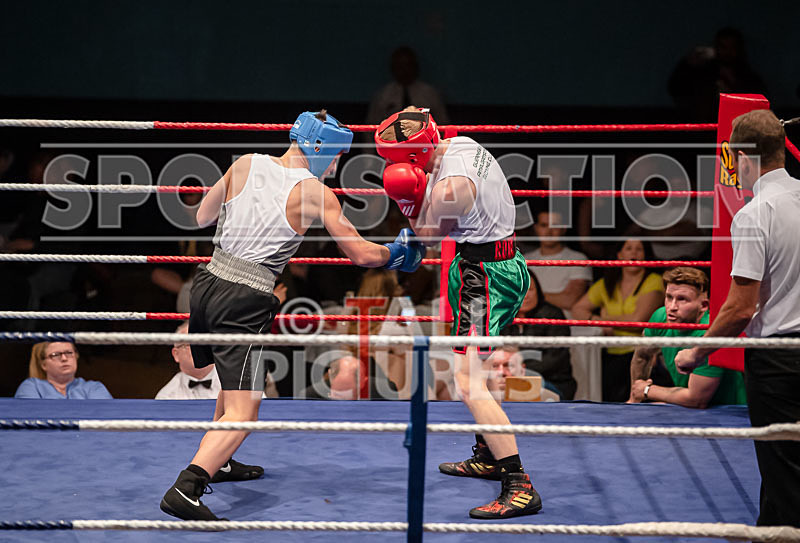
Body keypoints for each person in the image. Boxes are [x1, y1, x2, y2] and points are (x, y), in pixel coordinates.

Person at [160, 110, 425, 522]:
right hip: (243, 298)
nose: (336, 165)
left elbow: (201, 218)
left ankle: (222, 462)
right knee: (246, 412)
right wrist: (398, 254)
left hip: (207, 282)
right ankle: (187, 486)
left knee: (234, 384)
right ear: (318, 147)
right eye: (336, 156)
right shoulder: (316, 193)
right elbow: (360, 254)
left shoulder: (245, 162)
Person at [375, 107, 541, 519]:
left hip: (484, 278)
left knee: (468, 382)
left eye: (395, 159)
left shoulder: (452, 187)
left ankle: (519, 485)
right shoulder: (459, 145)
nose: (391, 165)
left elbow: (428, 236)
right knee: (475, 369)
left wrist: (406, 200)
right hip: (490, 265)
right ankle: (487, 453)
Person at [675, 110, 800, 527]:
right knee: (783, 467)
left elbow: (740, 307)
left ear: (743, 158)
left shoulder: (755, 212)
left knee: (785, 470)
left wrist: (697, 352)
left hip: (780, 361)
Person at [628, 267, 746, 408]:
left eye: (682, 300)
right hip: (687, 409)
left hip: (727, 413)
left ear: (703, 305)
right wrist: (634, 398)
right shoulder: (661, 317)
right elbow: (642, 357)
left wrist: (647, 390)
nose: (672, 307)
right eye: (669, 297)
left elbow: (696, 399)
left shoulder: (710, 334)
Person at [571, 236, 664, 402]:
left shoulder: (654, 281)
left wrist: (606, 319)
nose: (633, 253)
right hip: (609, 353)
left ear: (645, 254)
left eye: (639, 248)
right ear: (620, 254)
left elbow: (637, 321)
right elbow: (577, 309)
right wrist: (599, 320)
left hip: (639, 354)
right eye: (628, 248)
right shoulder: (608, 283)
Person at [502, 272, 576, 400]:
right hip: (507, 377)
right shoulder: (503, 317)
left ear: (538, 291)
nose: (526, 295)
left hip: (551, 380)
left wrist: (519, 370)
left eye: (530, 289)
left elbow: (555, 358)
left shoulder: (552, 315)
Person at [525, 209, 591, 316]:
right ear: (536, 228)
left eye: (554, 225)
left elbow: (569, 300)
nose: (549, 231)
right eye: (543, 225)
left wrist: (530, 295)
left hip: (566, 327)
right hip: (528, 326)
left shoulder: (578, 259)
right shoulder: (523, 260)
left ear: (563, 229)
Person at [366, 47, 449, 125]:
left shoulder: (430, 93)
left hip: (425, 139)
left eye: (408, 65)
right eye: (400, 66)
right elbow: (371, 125)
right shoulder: (383, 95)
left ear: (415, 67)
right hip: (390, 138)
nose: (404, 70)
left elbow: (443, 123)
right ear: (393, 68)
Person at [14, 342, 112, 399]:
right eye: (56, 355)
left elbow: (104, 419)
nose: (64, 358)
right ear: (43, 365)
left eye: (69, 353)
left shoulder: (94, 387)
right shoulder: (31, 386)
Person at [156, 322, 222, 400]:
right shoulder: (166, 397)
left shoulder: (235, 383)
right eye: (190, 344)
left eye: (204, 342)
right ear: (176, 354)